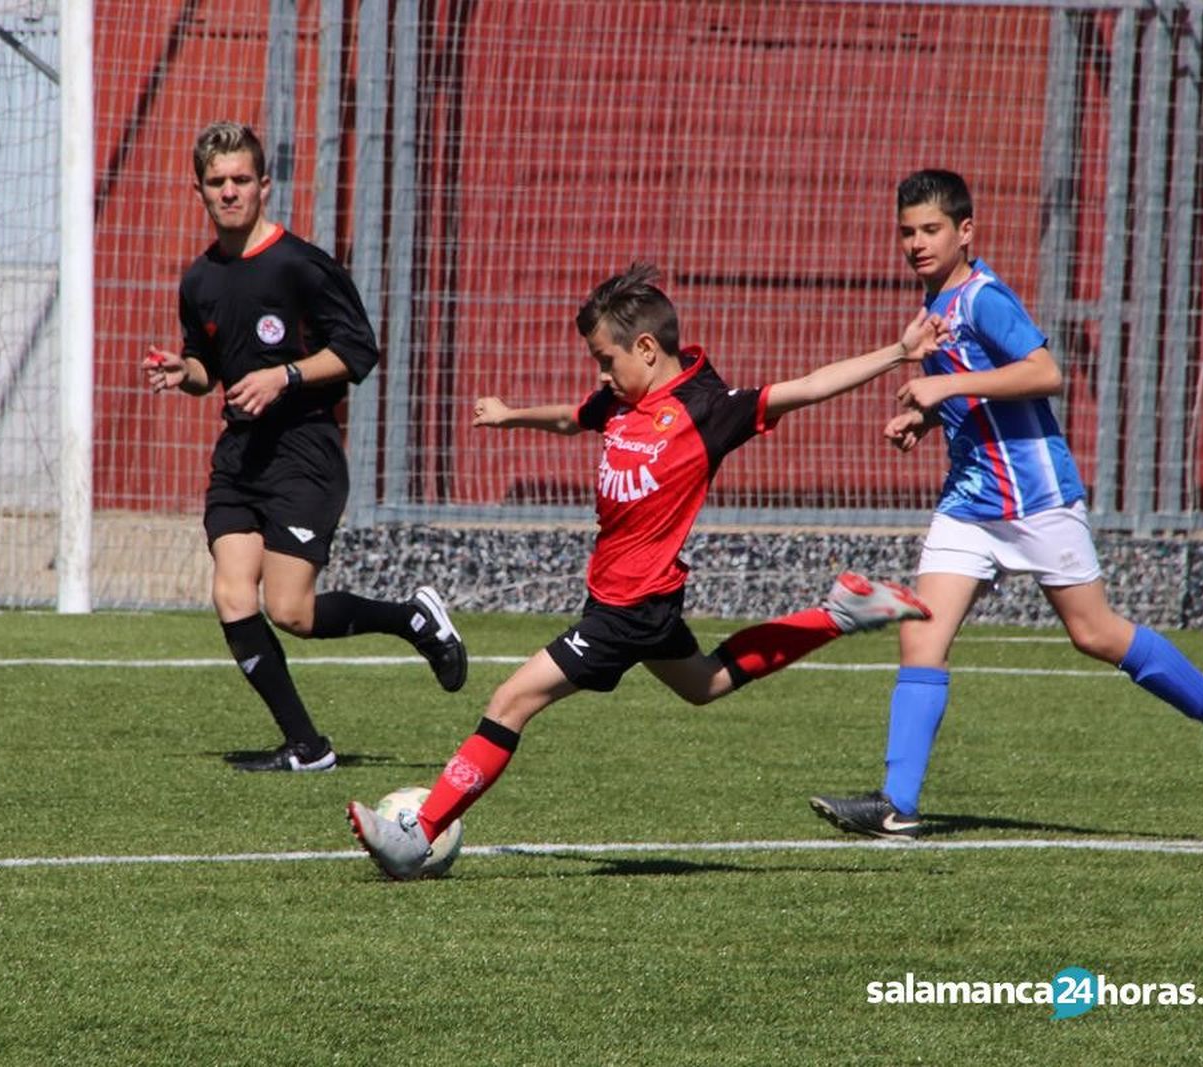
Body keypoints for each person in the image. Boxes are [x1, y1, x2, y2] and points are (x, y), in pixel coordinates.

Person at [347, 262, 945, 878]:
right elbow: (570, 417)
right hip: (634, 599)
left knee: (510, 702)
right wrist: (510, 415)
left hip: (629, 609)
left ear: (647, 349)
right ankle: (839, 614)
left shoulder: (706, 410)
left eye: (606, 360)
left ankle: (418, 834)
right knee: (705, 683)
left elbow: (811, 386)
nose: (601, 375)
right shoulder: (618, 402)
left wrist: (899, 353)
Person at [809, 169, 1203, 840]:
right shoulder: (935, 300)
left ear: (966, 231)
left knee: (1095, 633)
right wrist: (927, 417)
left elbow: (1044, 372)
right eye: (907, 232)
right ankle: (895, 804)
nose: (917, 243)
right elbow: (978, 392)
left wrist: (944, 389)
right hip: (970, 500)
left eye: (931, 229)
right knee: (921, 632)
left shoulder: (983, 297)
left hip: (1035, 499)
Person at [143, 121, 466, 773]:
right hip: (241, 456)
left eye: (240, 179)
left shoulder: (301, 266)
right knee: (233, 596)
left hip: (304, 453)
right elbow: (207, 366)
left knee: (290, 610)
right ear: (199, 190)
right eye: (216, 182)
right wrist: (187, 372)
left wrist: (284, 375)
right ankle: (307, 747)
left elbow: (359, 351)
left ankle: (413, 619)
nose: (229, 191)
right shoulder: (199, 280)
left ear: (264, 185)